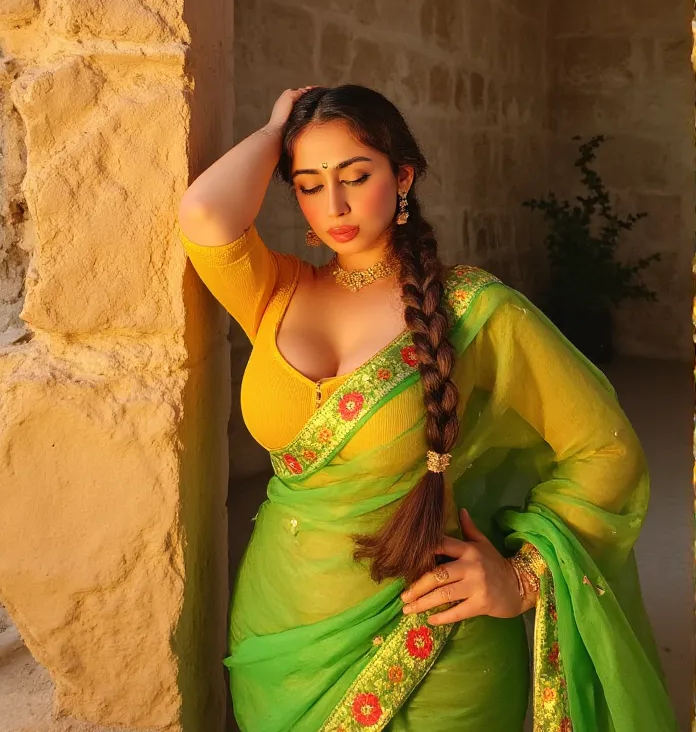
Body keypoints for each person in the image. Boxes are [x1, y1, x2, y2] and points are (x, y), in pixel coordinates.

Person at [177, 85, 678, 732]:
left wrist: (522, 579)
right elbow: (205, 214)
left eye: (356, 175)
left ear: (402, 175)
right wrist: (280, 124)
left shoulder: (474, 308)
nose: (334, 204)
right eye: (307, 184)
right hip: (280, 628)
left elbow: (605, 449)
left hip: (432, 646)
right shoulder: (276, 290)